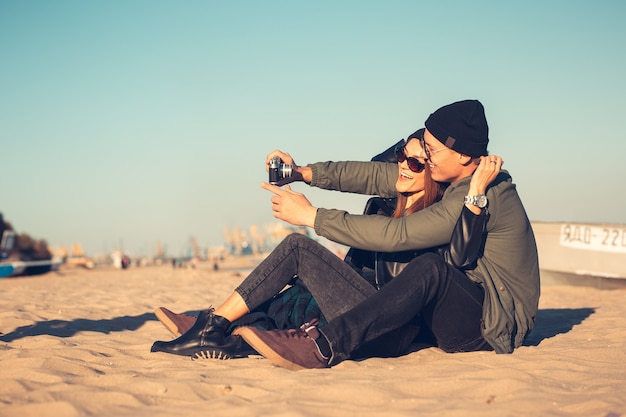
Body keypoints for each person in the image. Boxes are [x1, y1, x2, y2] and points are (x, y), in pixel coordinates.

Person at [234, 99, 541, 370]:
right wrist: (301, 173)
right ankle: (234, 325)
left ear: (462, 156)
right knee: (340, 278)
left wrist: (312, 216)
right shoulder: (452, 177)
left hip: (493, 324)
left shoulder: (488, 190)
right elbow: (375, 174)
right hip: (455, 301)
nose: (427, 157)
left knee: (430, 269)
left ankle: (325, 345)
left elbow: (399, 234)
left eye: (432, 150)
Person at [150, 122, 488, 360]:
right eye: (401, 156)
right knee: (300, 287)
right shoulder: (386, 206)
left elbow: (412, 272)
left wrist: (311, 216)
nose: (403, 165)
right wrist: (298, 172)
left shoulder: (434, 217)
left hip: (389, 323)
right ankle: (228, 329)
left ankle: (218, 325)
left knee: (299, 249)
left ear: (433, 172)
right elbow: (362, 172)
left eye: (415, 162)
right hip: (366, 305)